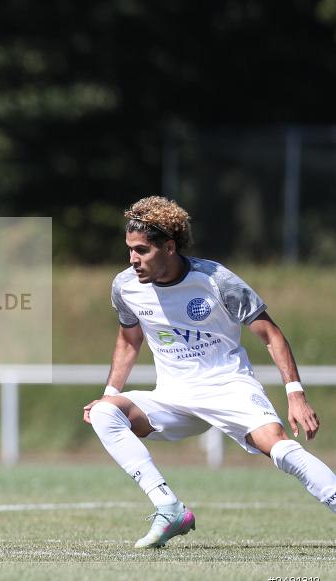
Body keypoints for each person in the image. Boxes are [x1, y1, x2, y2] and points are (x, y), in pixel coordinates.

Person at [83, 196, 336, 549]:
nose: (132, 259)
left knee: (280, 450)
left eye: (141, 250)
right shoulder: (125, 286)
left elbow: (271, 334)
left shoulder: (215, 280)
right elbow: (128, 341)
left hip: (227, 387)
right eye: (129, 250)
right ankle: (168, 507)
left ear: (169, 247)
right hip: (172, 398)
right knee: (104, 413)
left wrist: (296, 395)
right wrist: (109, 395)